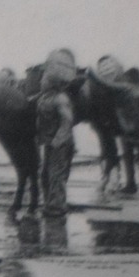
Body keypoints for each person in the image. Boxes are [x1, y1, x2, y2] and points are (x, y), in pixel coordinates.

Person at [36, 48, 78, 219]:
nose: (42, 80)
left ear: (52, 81)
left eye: (45, 78)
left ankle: (57, 208)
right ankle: (50, 204)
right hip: (50, 141)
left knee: (56, 175)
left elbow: (67, 122)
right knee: (46, 174)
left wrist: (57, 140)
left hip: (61, 143)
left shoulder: (61, 99)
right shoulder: (45, 96)